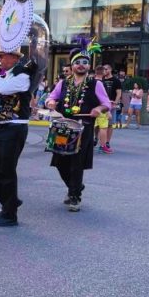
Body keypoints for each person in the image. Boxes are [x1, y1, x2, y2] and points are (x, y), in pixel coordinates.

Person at [45, 48, 111, 212]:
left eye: (85, 62)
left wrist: (98, 109)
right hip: (63, 127)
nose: (81, 65)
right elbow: (50, 97)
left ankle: (74, 196)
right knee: (60, 162)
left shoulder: (96, 84)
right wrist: (51, 103)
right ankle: (76, 186)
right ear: (72, 65)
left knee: (76, 163)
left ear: (89, 66)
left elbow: (106, 104)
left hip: (83, 127)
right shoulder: (63, 83)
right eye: (78, 62)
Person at [0, 48, 35, 227]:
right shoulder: (5, 76)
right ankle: (10, 201)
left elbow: (4, 89)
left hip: (14, 128)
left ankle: (10, 214)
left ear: (14, 58)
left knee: (7, 170)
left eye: (2, 56)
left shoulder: (22, 76)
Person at [98, 64, 121, 151]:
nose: (104, 71)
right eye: (103, 69)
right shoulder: (101, 80)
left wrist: (115, 102)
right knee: (99, 125)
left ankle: (107, 142)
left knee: (110, 124)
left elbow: (119, 93)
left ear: (110, 70)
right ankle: (98, 140)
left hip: (111, 105)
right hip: (101, 105)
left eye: (106, 69)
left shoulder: (116, 80)